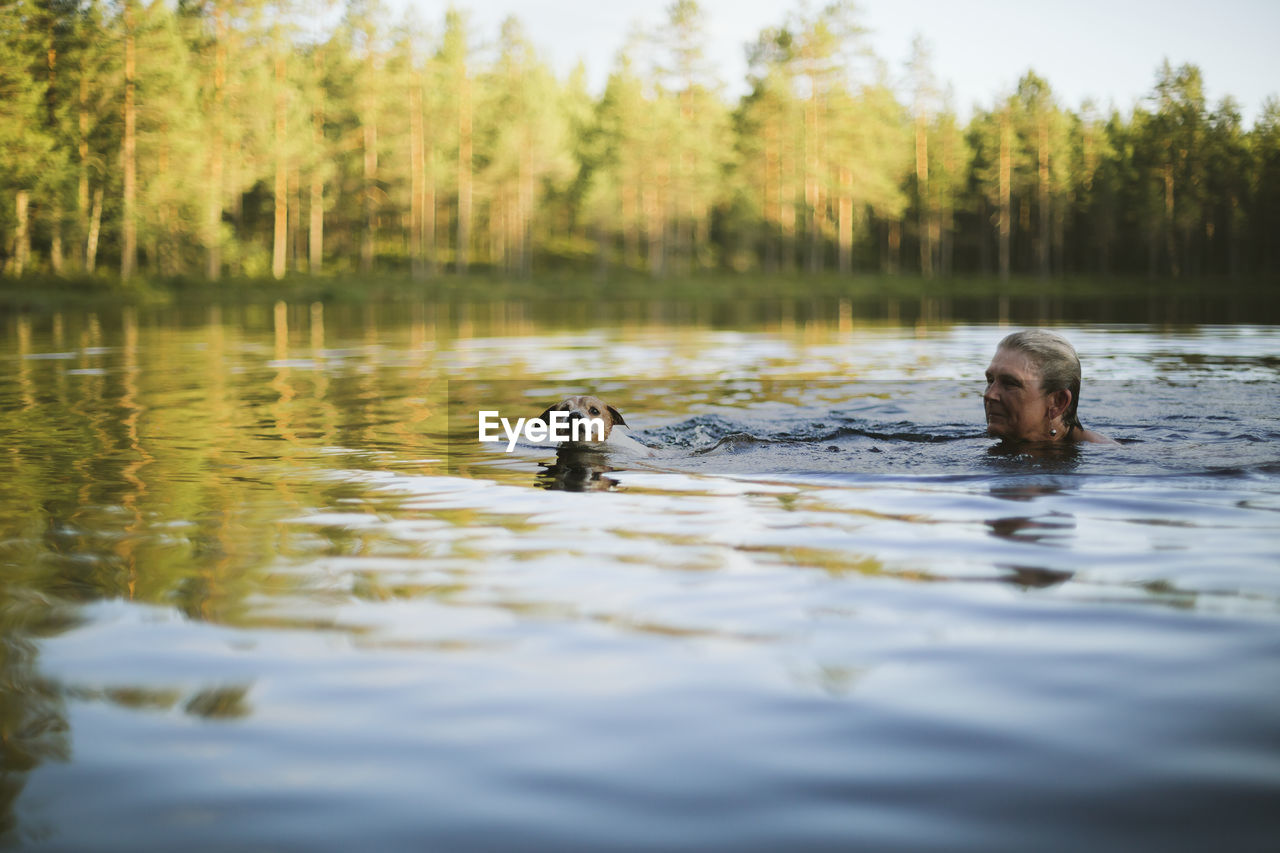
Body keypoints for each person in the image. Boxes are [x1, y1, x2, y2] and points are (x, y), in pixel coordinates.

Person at [983, 329, 1116, 445]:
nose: (989, 395)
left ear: (1057, 402)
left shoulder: (1106, 455)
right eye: (990, 380)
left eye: (1010, 383)